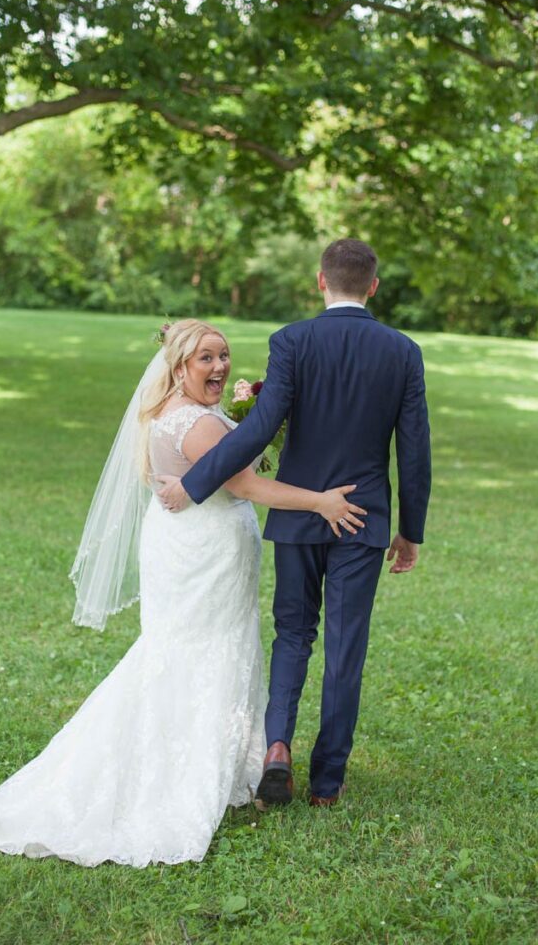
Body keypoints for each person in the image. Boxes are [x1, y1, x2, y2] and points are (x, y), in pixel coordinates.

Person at [0, 319, 364, 867]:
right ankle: (177, 774)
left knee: (189, 651)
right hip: (204, 554)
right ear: (179, 366)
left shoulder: (170, 414)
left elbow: (203, 470)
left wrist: (242, 420)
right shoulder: (198, 426)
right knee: (201, 651)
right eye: (205, 359)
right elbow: (246, 485)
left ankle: (210, 757)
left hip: (183, 544)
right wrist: (322, 502)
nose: (219, 368)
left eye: (224, 356)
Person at [158, 240, 432, 808]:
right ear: (373, 286)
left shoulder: (292, 341)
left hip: (297, 515)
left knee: (293, 635)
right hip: (364, 517)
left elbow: (259, 428)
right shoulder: (403, 351)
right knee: (345, 647)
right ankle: (327, 782)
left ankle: (277, 747)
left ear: (320, 282)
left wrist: (194, 482)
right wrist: (410, 530)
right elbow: (414, 451)